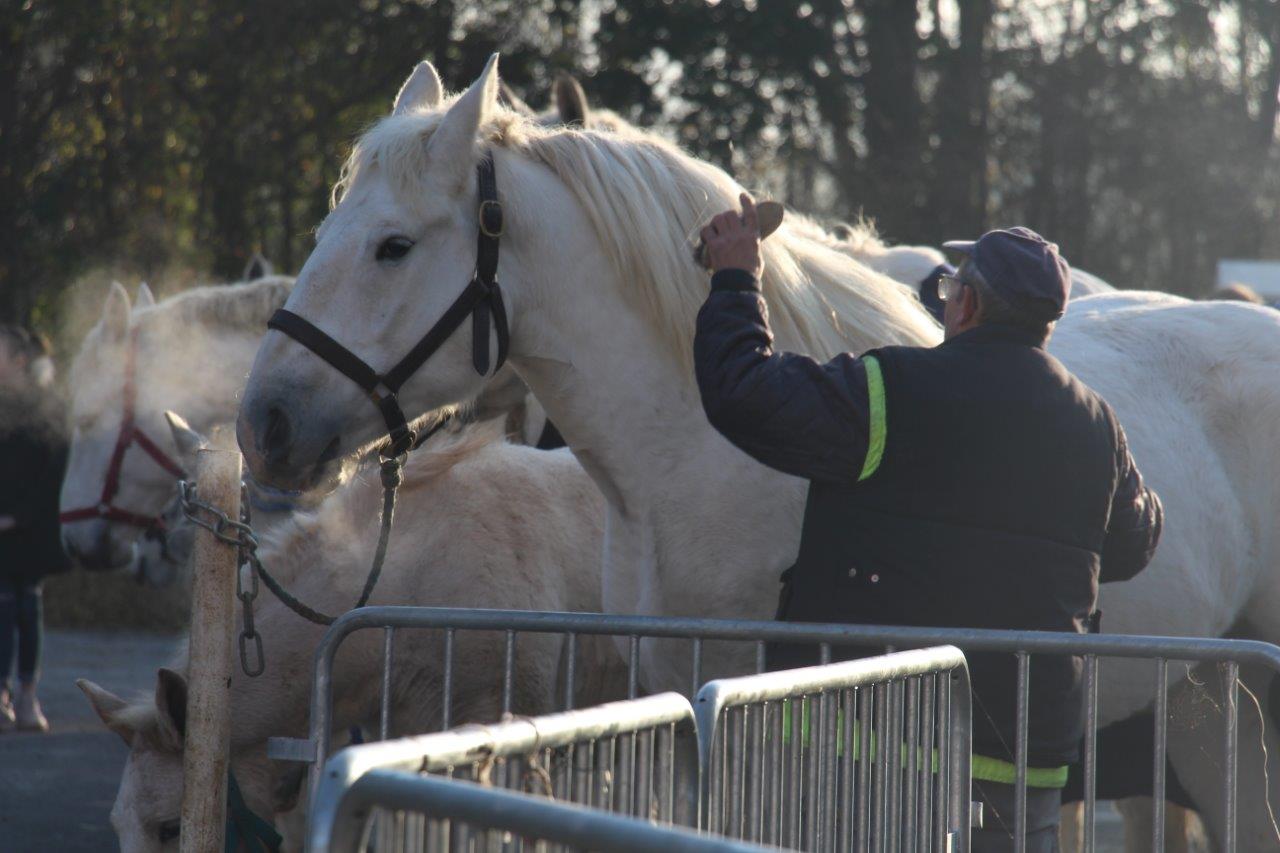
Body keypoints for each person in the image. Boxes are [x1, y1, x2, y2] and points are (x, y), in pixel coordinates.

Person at [692, 196, 1164, 851]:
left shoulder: (895, 386)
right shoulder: (1097, 426)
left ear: (966, 304)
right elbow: (1135, 541)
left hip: (868, 748)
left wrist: (738, 278)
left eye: (951, 290)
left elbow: (743, 389)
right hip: (1023, 762)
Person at [0, 325, 71, 733]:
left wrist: (20, 516)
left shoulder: (48, 405)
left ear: (20, 360)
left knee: (27, 608)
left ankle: (27, 695)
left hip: (30, 530)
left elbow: (55, 470)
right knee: (2, 608)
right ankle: (2, 691)